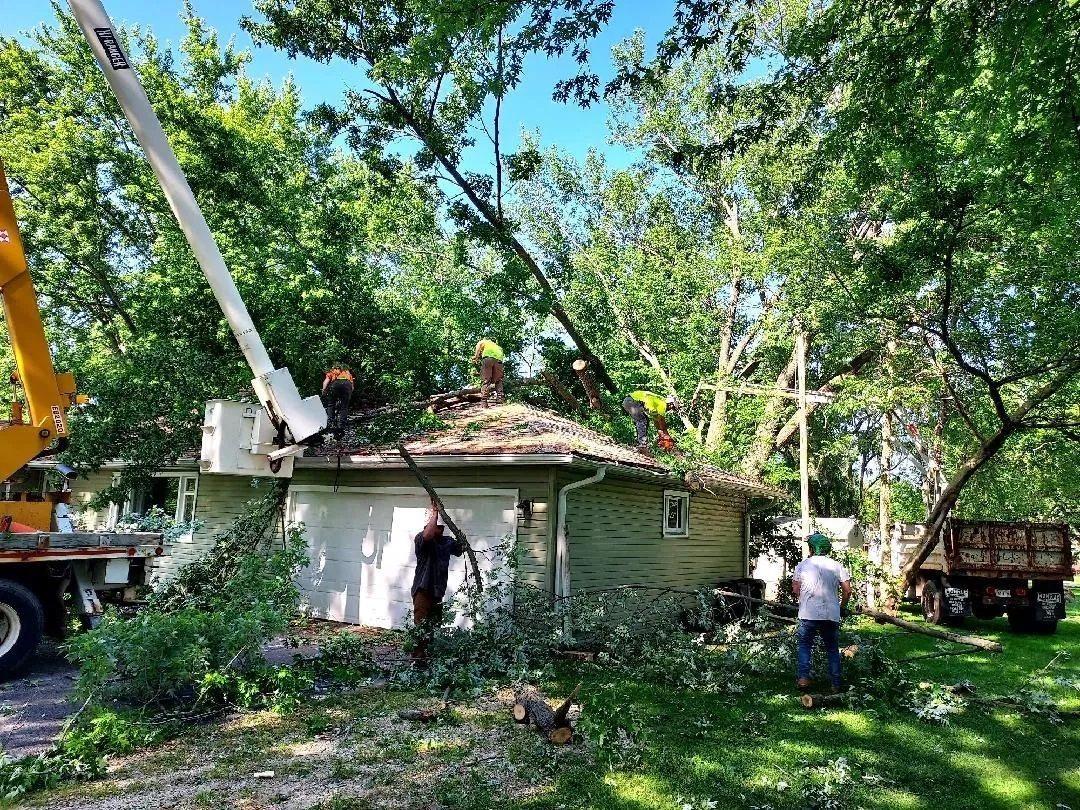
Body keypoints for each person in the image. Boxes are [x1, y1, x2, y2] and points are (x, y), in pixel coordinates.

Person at [792, 532, 852, 693]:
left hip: (808, 613)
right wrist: (842, 607)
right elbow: (847, 591)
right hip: (831, 613)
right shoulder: (837, 566)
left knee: (805, 646)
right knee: (832, 649)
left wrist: (803, 598)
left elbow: (795, 590)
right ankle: (836, 683)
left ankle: (804, 679)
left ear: (812, 548)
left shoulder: (803, 565)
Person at [411, 500, 464, 663]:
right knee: (421, 625)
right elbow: (428, 535)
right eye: (435, 526)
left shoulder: (446, 542)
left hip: (437, 591)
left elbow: (460, 550)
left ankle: (430, 655)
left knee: (434, 625)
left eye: (441, 527)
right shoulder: (422, 539)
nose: (438, 529)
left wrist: (461, 538)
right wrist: (435, 513)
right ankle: (418, 658)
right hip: (423, 589)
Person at [321, 365, 355, 435]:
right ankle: (342, 426)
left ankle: (330, 424)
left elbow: (326, 382)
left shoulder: (332, 371)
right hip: (347, 384)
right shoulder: (347, 372)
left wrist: (324, 391)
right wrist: (348, 394)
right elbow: (352, 387)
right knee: (344, 407)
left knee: (331, 404)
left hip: (335, 384)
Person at [472, 338, 505, 405]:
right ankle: (500, 398)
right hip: (499, 362)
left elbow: (478, 346)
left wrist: (476, 357)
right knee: (498, 380)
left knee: (486, 380)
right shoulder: (498, 347)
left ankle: (484, 401)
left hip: (488, 359)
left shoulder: (484, 341)